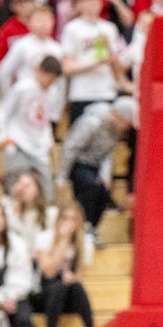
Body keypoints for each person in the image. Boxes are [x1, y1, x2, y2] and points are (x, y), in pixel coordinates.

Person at [60, 96, 135, 241]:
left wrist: (105, 176)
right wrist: (62, 176)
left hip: (96, 166)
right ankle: (85, 227)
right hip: (78, 163)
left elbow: (107, 154)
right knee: (90, 187)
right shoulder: (92, 122)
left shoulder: (115, 129)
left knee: (104, 196)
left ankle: (92, 228)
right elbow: (71, 147)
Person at [32, 203, 95, 327]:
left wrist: (70, 278)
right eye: (65, 218)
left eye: (74, 220)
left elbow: (80, 277)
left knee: (76, 287)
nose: (69, 223)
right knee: (58, 286)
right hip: (44, 294)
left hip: (67, 295)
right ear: (58, 220)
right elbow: (48, 271)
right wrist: (64, 240)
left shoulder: (84, 242)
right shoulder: (45, 238)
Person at [0, 55, 62, 197]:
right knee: (16, 186)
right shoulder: (22, 88)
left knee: (47, 188)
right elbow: (3, 112)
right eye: (48, 78)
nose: (49, 83)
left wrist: (48, 141)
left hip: (39, 145)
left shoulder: (53, 92)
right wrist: (4, 136)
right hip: (18, 142)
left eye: (53, 80)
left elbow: (46, 121)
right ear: (40, 72)